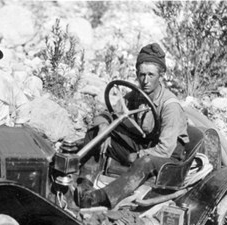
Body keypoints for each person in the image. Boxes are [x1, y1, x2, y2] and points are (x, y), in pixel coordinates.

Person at [77, 43, 189, 208]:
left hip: (168, 159)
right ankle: (84, 183)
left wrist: (136, 156)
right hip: (144, 144)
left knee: (145, 161)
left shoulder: (169, 105)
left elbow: (164, 149)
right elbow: (109, 114)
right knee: (96, 134)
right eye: (141, 75)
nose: (145, 81)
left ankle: (102, 197)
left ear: (161, 75)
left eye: (151, 75)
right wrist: (104, 127)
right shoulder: (136, 96)